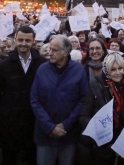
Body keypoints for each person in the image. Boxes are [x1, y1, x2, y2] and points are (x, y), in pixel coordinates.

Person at [0, 25, 46, 165]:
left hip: (34, 119)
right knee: (10, 156)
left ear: (33, 41)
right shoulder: (4, 65)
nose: (23, 44)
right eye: (20, 40)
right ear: (15, 40)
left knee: (31, 157)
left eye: (27, 40)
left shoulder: (42, 64)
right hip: (10, 121)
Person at [31, 35, 88, 165]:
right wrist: (50, 127)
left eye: (54, 50)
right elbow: (35, 100)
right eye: (50, 49)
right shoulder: (42, 69)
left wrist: (66, 124)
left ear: (66, 52)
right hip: (45, 134)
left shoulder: (78, 70)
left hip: (68, 134)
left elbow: (82, 100)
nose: (49, 53)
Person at [79, 53, 124, 164]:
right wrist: (99, 128)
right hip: (100, 144)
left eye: (120, 68)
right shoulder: (95, 85)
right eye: (113, 69)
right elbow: (84, 115)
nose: (118, 73)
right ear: (106, 70)